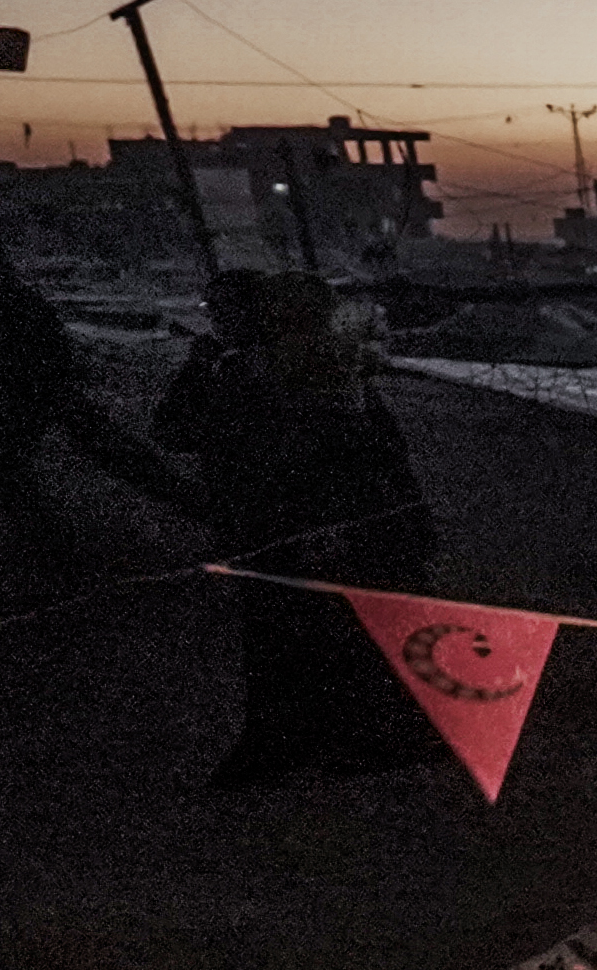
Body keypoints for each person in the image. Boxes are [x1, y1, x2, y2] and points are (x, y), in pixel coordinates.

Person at [154, 274, 445, 787]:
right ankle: (328, 738)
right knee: (311, 636)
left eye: (223, 310)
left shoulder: (287, 371)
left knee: (317, 635)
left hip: (308, 529)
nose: (216, 320)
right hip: (302, 529)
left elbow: (336, 456)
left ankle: (363, 737)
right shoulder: (283, 368)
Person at [0, 173, 198, 578]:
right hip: (32, 362)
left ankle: (57, 560)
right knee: (95, 446)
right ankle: (195, 509)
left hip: (26, 367)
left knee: (9, 460)